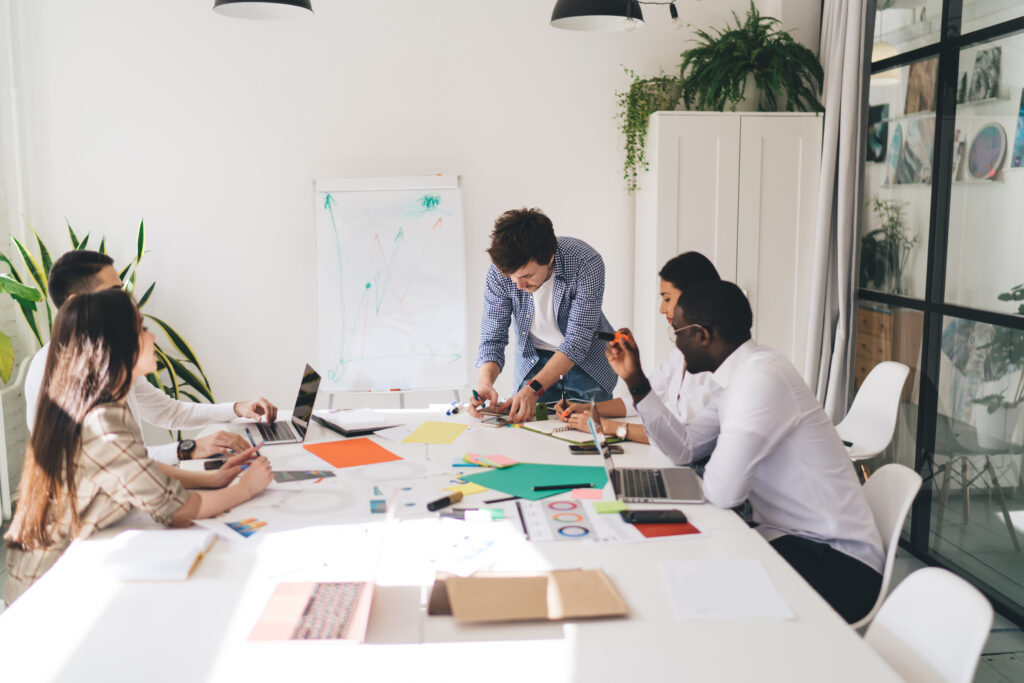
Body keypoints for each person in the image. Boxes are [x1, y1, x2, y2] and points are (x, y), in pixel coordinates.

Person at [604, 281, 884, 624]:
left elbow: (723, 493)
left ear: (703, 335)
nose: (676, 344)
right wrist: (636, 382)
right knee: (680, 576)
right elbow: (686, 448)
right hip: (791, 540)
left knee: (690, 594)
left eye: (677, 333)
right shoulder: (740, 375)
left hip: (838, 563)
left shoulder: (759, 380)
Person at [3, 290, 273, 604]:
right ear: (117, 343)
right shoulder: (102, 422)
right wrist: (246, 489)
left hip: (68, 568)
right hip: (46, 592)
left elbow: (136, 467)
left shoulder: (102, 405)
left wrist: (211, 480)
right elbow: (178, 511)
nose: (153, 336)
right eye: (142, 328)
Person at [25, 250, 278, 464]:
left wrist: (237, 408)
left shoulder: (109, 354)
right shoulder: (56, 370)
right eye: (114, 291)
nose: (124, 300)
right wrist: (188, 449)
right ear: (77, 302)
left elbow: (168, 412)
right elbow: (109, 463)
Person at [469, 208, 616, 423]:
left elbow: (576, 342)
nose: (517, 285)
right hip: (532, 360)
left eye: (527, 276)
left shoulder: (586, 263)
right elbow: (493, 338)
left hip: (585, 363)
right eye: (511, 277)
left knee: (586, 432)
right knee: (527, 429)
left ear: (549, 258)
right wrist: (485, 383)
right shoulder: (501, 271)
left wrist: (534, 388)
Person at [557, 251, 721, 443]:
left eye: (667, 298)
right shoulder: (680, 354)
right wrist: (588, 409)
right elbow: (644, 398)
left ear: (693, 298)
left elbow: (685, 438)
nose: (662, 309)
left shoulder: (716, 365)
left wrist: (606, 427)